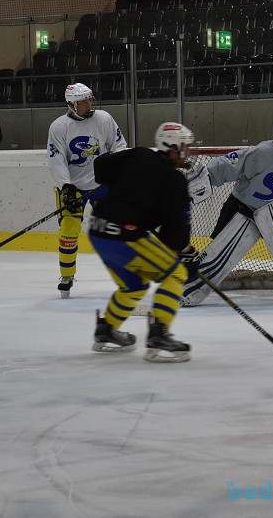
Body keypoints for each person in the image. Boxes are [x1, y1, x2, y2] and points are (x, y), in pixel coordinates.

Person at [181, 116, 273, 306]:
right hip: (241, 207)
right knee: (217, 252)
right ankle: (189, 290)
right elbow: (227, 165)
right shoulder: (262, 153)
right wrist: (202, 180)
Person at [88, 122, 199, 362]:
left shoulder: (139, 154)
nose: (188, 152)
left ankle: (106, 329)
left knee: (134, 286)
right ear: (172, 147)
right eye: (185, 147)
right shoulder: (174, 180)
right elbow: (175, 231)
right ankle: (159, 333)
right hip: (124, 237)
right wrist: (184, 253)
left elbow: (101, 167)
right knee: (176, 274)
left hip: (98, 231)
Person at [47, 82, 127, 298]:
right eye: (84, 101)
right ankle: (67, 275)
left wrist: (113, 173)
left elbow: (119, 147)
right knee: (69, 230)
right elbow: (56, 159)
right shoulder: (58, 127)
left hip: (101, 186)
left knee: (111, 228)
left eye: (90, 99)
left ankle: (124, 275)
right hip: (74, 189)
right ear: (72, 105)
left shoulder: (104, 118)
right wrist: (66, 186)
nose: (89, 104)